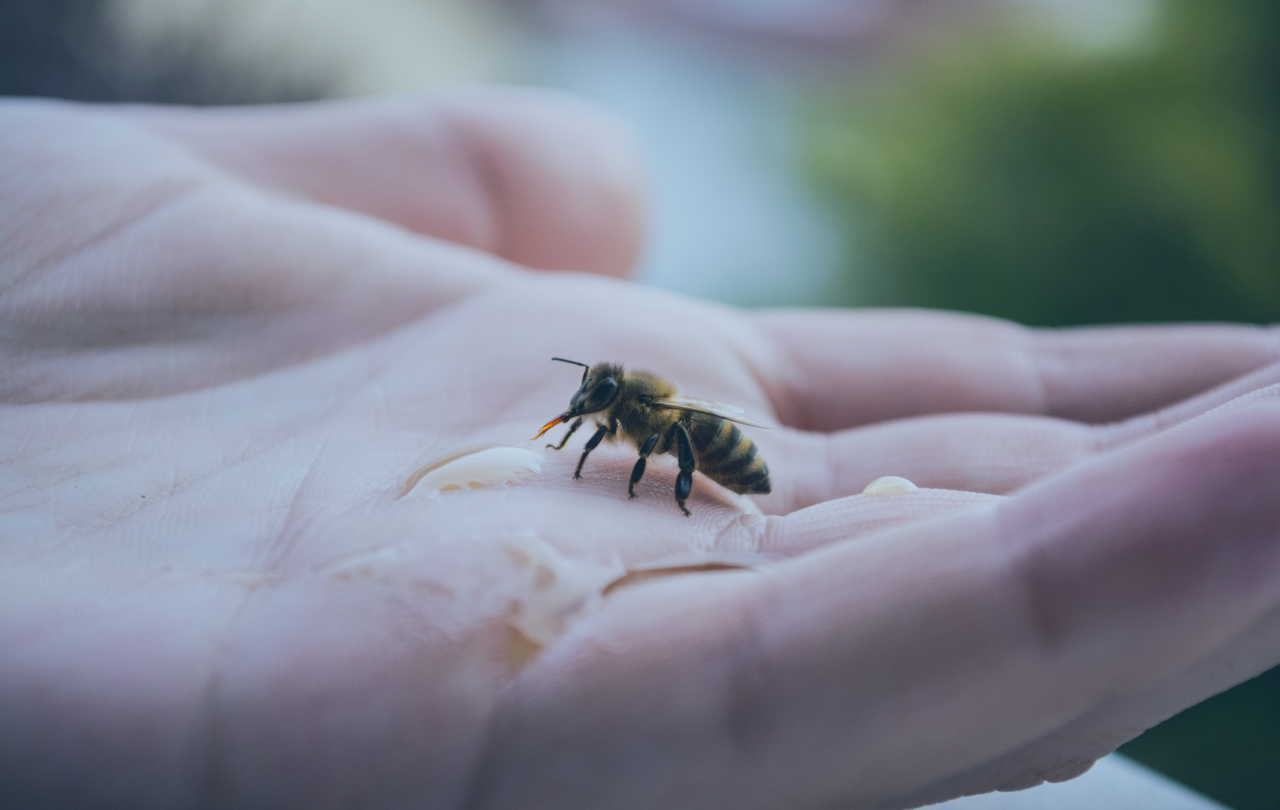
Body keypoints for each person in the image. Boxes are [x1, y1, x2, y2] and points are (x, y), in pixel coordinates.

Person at [2, 88, 1280, 810]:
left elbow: (651, 443)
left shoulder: (649, 423)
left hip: (718, 463)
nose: (585, 413)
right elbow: (590, 425)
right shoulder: (613, 406)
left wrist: (671, 493)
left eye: (594, 403)